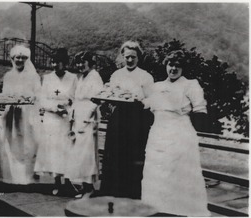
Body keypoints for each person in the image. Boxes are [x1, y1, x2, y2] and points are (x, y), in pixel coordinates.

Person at [141, 50, 210, 216]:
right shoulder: (157, 87)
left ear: (183, 68)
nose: (173, 69)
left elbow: (201, 111)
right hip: (158, 132)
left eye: (178, 66)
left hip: (180, 134)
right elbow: (145, 105)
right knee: (157, 173)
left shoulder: (190, 85)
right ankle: (158, 209)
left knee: (179, 174)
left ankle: (179, 212)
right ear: (166, 65)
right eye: (171, 65)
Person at [95, 41, 154, 199]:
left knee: (132, 155)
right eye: (127, 57)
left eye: (133, 57)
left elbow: (151, 100)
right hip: (118, 118)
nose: (130, 60)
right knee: (115, 154)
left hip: (137, 120)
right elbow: (111, 94)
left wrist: (140, 102)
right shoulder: (116, 75)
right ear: (123, 56)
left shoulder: (146, 77)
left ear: (138, 58)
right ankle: (112, 190)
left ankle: (131, 192)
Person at [35, 48, 78, 195]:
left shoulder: (73, 78)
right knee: (53, 150)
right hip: (51, 119)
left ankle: (67, 181)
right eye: (53, 62)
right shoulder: (47, 78)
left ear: (64, 63)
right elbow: (42, 100)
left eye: (58, 62)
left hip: (65, 120)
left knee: (65, 149)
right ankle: (56, 182)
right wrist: (54, 108)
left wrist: (68, 109)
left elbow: (75, 99)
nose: (54, 65)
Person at [0, 45, 41, 185]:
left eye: (23, 58)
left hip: (28, 113)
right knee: (11, 143)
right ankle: (13, 177)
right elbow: (6, 94)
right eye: (17, 57)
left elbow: (38, 93)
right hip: (12, 113)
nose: (20, 60)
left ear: (27, 59)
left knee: (28, 144)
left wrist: (30, 97)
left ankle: (28, 178)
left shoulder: (33, 76)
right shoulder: (8, 76)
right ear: (12, 59)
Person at [64, 51, 103, 198]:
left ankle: (89, 188)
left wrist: (86, 118)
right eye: (78, 62)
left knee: (87, 153)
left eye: (83, 62)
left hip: (87, 119)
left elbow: (97, 100)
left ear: (90, 62)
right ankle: (85, 186)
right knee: (80, 153)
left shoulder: (95, 77)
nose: (80, 65)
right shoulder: (82, 78)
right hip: (78, 118)